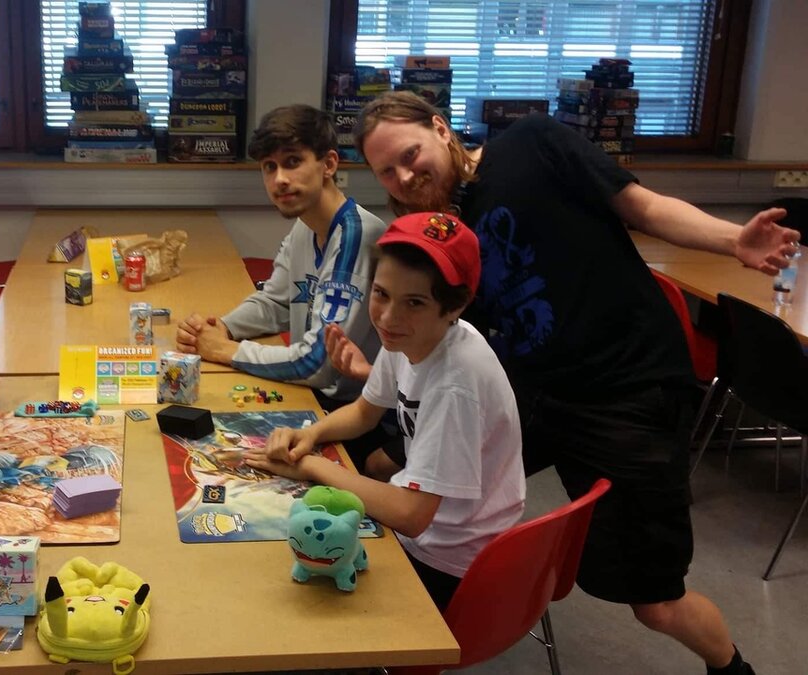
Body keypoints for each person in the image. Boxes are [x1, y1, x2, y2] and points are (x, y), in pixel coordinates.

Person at [353, 91, 800, 675]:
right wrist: (381, 375)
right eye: (387, 171)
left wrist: (731, 240)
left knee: (655, 602)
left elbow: (643, 207)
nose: (405, 176)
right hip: (534, 391)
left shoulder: (532, 143)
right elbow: (443, 331)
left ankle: (731, 668)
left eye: (410, 155)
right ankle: (399, 615)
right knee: (385, 459)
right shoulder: (442, 229)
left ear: (440, 129)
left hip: (628, 389)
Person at [243, 211, 524, 612]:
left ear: (455, 306)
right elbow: (364, 412)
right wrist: (311, 434)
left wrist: (313, 467)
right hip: (431, 527)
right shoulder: (413, 336)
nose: (389, 317)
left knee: (289, 584)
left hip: (450, 562)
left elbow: (411, 515)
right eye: (381, 294)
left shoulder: (455, 384)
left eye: (414, 302)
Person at [175, 104, 390, 470]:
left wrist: (226, 350)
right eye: (269, 167)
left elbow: (318, 363)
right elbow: (275, 302)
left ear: (329, 164)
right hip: (312, 395)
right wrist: (221, 327)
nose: (279, 180)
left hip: (351, 414)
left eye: (293, 162)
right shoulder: (306, 224)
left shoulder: (355, 237)